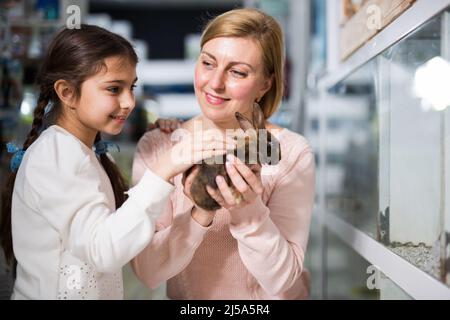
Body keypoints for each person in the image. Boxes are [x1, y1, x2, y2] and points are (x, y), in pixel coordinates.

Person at [0, 24, 229, 300]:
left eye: (131, 87)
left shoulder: (86, 152)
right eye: (113, 89)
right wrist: (163, 169)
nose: (129, 101)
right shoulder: (57, 153)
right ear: (67, 92)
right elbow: (104, 251)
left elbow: (115, 239)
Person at [131, 8, 315, 299]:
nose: (215, 83)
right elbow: (148, 273)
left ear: (265, 84)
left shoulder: (291, 153)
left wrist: (247, 208)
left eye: (237, 72)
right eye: (207, 63)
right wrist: (201, 210)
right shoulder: (160, 146)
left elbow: (281, 281)